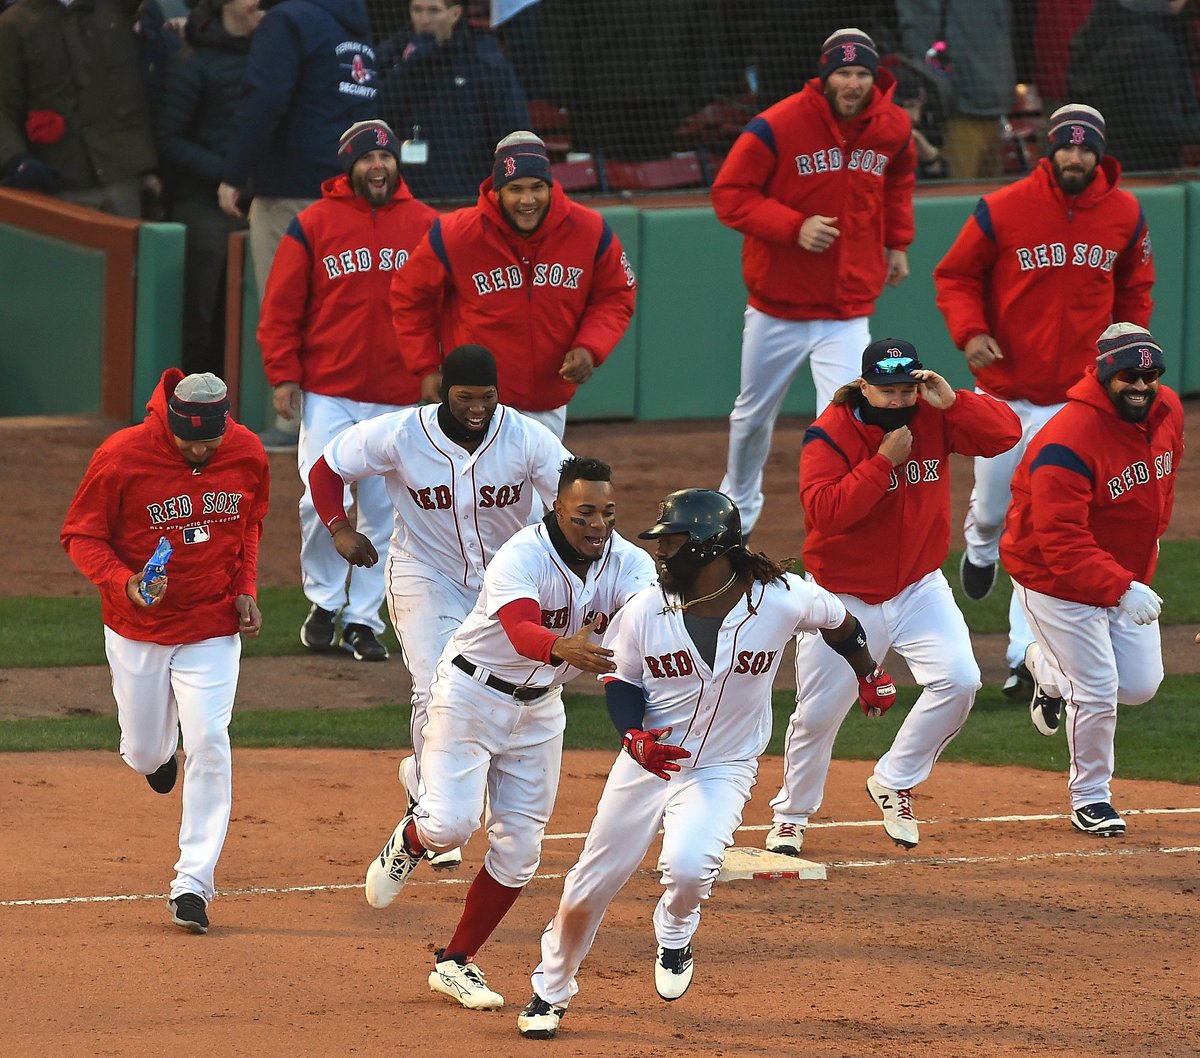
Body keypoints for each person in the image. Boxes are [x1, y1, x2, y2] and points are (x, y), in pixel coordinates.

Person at [515, 489, 897, 1040]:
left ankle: (675, 925)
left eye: (672, 542)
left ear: (710, 546)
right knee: (587, 886)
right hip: (649, 762)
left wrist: (869, 671)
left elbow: (840, 623)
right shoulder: (647, 608)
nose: (660, 553)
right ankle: (551, 990)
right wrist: (633, 737)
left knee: (691, 869)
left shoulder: (782, 598)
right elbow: (621, 680)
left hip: (724, 764)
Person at [362, 457, 656, 1012]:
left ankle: (455, 962)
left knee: (521, 851)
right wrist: (561, 647)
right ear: (557, 508)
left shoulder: (629, 563)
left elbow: (646, 619)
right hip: (471, 694)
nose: (598, 525)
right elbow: (520, 629)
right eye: (585, 512)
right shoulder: (523, 553)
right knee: (450, 826)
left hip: (541, 711)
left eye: (608, 514)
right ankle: (413, 837)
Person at [307, 343, 571, 868]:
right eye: (465, 397)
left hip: (504, 582)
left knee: (501, 689)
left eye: (488, 397)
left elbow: (572, 497)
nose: (478, 408)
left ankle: (422, 778)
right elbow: (326, 468)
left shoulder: (526, 437)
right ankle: (432, 804)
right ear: (442, 391)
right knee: (436, 685)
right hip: (424, 572)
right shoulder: (402, 433)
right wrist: (339, 528)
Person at [766, 339, 1021, 854]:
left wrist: (955, 403)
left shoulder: (935, 414)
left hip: (918, 587)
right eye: (888, 391)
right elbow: (826, 513)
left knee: (960, 679)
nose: (901, 399)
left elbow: (1006, 434)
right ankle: (791, 817)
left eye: (908, 388)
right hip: (842, 598)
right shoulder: (830, 434)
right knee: (817, 716)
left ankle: (895, 778)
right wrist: (882, 463)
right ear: (865, 386)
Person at [934, 103, 1154, 699]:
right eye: (1066, 146)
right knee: (991, 511)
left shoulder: (1126, 214)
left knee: (1043, 528)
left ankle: (1021, 659)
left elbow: (1136, 288)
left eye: (1086, 148)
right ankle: (979, 548)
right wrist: (970, 331)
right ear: (1050, 151)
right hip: (1005, 393)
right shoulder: (1004, 208)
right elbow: (954, 275)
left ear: (1098, 152)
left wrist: (1129, 354)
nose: (1076, 156)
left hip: (1079, 404)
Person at [60, 371, 270, 934]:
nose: (201, 451)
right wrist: (123, 581)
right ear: (169, 425)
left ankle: (193, 884)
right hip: (138, 628)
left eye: (211, 441)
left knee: (210, 741)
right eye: (190, 442)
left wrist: (246, 586)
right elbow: (80, 535)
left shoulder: (246, 451)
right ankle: (155, 760)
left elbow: (249, 522)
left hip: (211, 624)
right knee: (145, 752)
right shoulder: (121, 455)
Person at [710, 27, 916, 536]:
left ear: (875, 78)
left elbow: (898, 181)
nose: (852, 83)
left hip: (845, 311)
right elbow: (729, 194)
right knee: (751, 417)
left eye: (862, 73)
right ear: (824, 77)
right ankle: (737, 504)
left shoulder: (891, 126)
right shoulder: (776, 125)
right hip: (777, 307)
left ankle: (841, 511)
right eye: (843, 73)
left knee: (844, 413)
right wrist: (792, 226)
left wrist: (898, 243)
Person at [258, 119, 437, 662]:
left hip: (399, 393)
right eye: (366, 159)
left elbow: (445, 306)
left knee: (387, 510)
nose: (377, 167)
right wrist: (283, 373)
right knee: (319, 500)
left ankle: (363, 618)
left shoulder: (429, 224)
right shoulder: (312, 224)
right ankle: (323, 600)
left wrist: (434, 371)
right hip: (330, 388)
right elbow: (282, 307)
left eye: (385, 158)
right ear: (349, 166)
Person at [1000, 324, 1183, 837]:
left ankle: (1045, 668)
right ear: (1104, 374)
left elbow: (1162, 485)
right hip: (1053, 578)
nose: (1141, 385)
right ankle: (1090, 798)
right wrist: (1120, 588)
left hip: (1124, 571)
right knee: (1098, 690)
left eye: (1150, 375)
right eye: (1129, 374)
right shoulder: (1066, 441)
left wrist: (1143, 557)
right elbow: (1059, 541)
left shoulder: (1167, 410)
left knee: (1141, 687)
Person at [390, 131, 637, 439]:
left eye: (536, 188)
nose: (527, 200)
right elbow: (409, 298)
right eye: (515, 189)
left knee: (538, 487)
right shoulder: (456, 234)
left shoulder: (589, 231)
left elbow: (615, 296)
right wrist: (426, 368)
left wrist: (590, 347)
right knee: (471, 486)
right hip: (474, 402)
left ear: (550, 186)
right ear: (497, 192)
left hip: (547, 401)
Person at [217, 0, 378, 450]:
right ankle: (339, 420)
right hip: (352, 185)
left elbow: (264, 95)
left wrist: (236, 171)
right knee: (340, 304)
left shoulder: (288, 20)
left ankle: (295, 423)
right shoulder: (357, 25)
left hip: (291, 187)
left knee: (285, 303)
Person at [156, 0, 265, 376]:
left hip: (261, 202)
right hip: (204, 205)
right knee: (203, 316)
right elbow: (168, 139)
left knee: (254, 313)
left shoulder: (272, 56)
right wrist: (227, 174)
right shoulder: (193, 62)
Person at [0, 0, 157, 217]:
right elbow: (4, 106)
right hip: (58, 180)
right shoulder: (15, 24)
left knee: (125, 247)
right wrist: (16, 159)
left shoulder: (116, 6)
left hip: (121, 173)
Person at [377, 0, 529, 201]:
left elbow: (513, 129)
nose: (424, 20)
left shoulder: (484, 61)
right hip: (405, 192)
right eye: (417, 10)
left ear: (455, 13)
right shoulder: (392, 55)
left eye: (434, 11)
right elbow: (378, 114)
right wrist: (410, 66)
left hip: (466, 191)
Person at [1068, 0, 1200, 174]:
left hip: (1106, 172)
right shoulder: (1150, 45)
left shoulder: (1100, 34)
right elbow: (1156, 127)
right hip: (1147, 174)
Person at [896, 0, 1015, 179]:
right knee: (955, 193)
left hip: (996, 108)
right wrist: (938, 91)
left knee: (988, 198)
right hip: (957, 112)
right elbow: (918, 40)